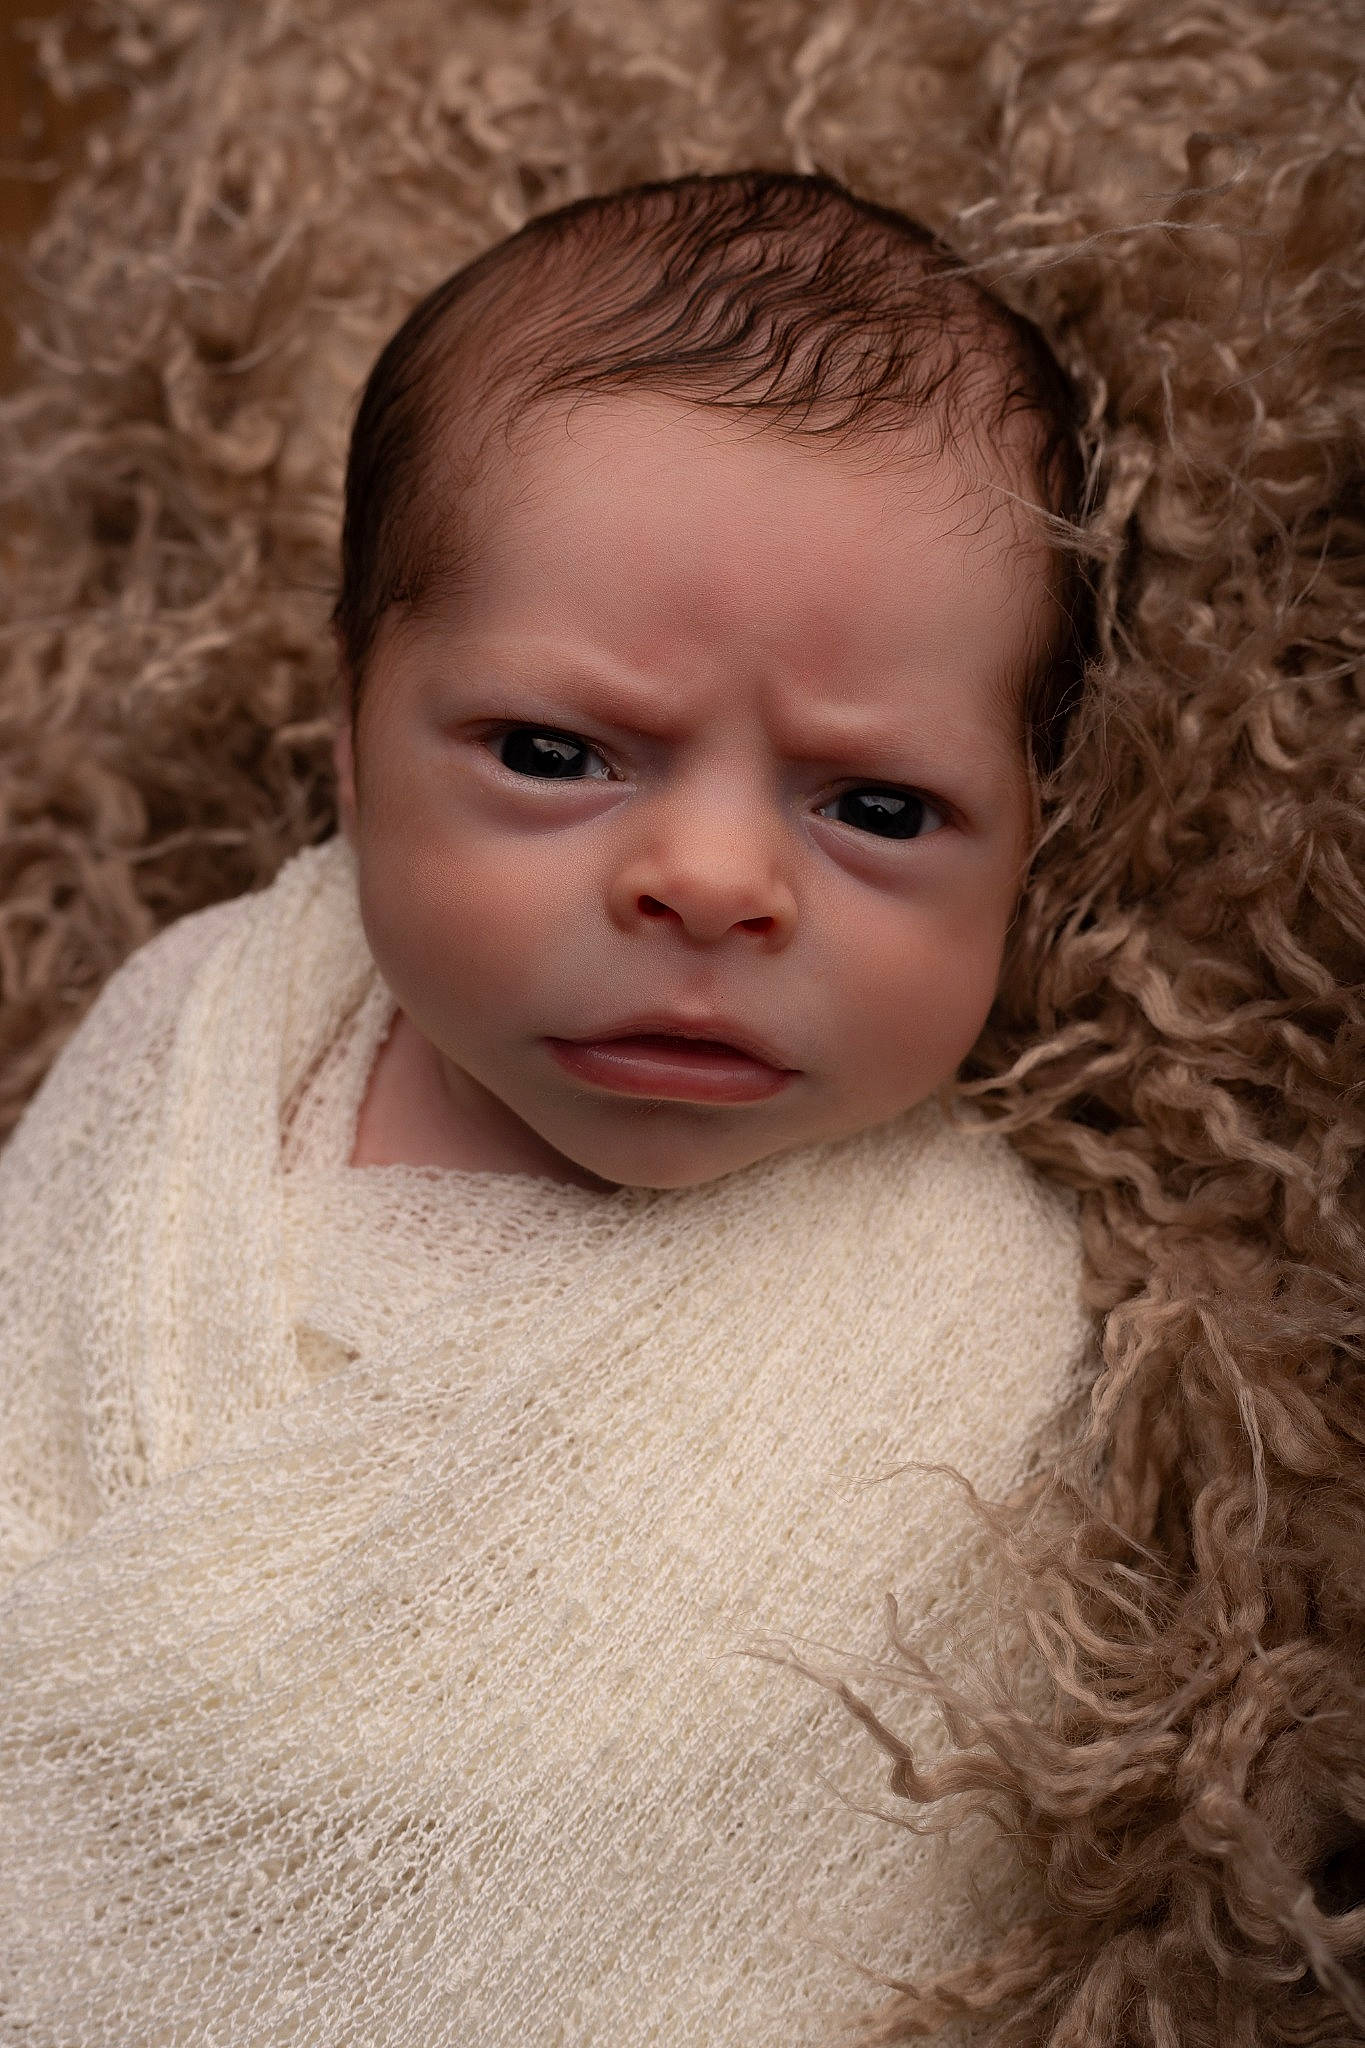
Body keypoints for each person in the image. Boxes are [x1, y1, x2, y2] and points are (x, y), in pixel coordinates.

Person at [0, 171, 1097, 2043]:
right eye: (550, 753)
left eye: (880, 808)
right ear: (346, 743)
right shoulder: (196, 1040)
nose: (710, 877)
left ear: (1033, 838)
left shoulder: (971, 1312)